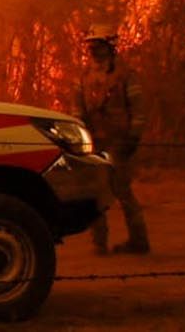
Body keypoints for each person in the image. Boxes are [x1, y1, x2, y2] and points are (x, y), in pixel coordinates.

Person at [73, 23, 150, 254]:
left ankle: (139, 242)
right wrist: (79, 135)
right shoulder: (84, 76)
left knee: (122, 190)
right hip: (93, 141)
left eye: (97, 45)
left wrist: (134, 136)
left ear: (109, 46)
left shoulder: (125, 75)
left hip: (120, 141)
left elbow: (138, 109)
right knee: (95, 192)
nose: (93, 51)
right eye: (90, 46)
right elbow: (77, 109)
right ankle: (99, 244)